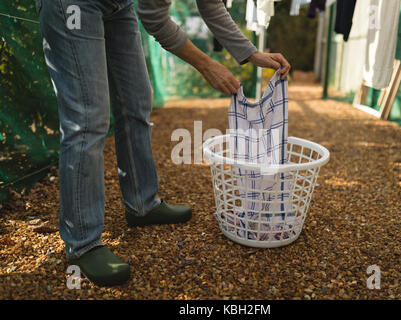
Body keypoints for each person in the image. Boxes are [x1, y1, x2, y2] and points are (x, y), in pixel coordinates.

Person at [35, 0, 290, 287]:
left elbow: (211, 5)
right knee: (87, 118)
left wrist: (251, 53)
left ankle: (142, 203)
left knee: (135, 102)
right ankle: (82, 242)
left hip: (118, 7)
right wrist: (207, 65)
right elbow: (155, 19)